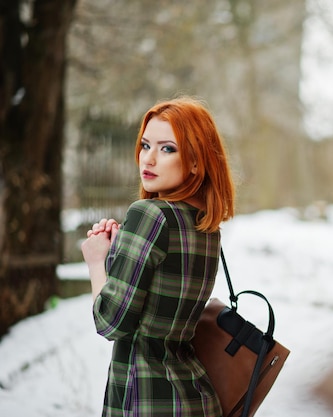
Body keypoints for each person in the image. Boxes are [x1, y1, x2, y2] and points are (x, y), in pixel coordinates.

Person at [81, 96, 235, 417]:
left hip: (148, 401)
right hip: (197, 398)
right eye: (145, 145)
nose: (148, 159)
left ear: (195, 162)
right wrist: (119, 251)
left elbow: (111, 322)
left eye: (167, 149)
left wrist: (97, 261)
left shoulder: (150, 215)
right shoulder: (206, 226)